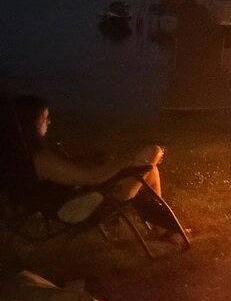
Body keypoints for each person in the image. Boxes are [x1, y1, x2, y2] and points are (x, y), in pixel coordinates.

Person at [10, 94, 165, 224]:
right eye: (45, 118)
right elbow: (95, 177)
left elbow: (77, 174)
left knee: (148, 167)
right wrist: (125, 161)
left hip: (79, 198)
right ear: (31, 124)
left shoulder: (24, 154)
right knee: (152, 151)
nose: (49, 122)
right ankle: (158, 219)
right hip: (75, 208)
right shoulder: (41, 159)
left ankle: (158, 218)